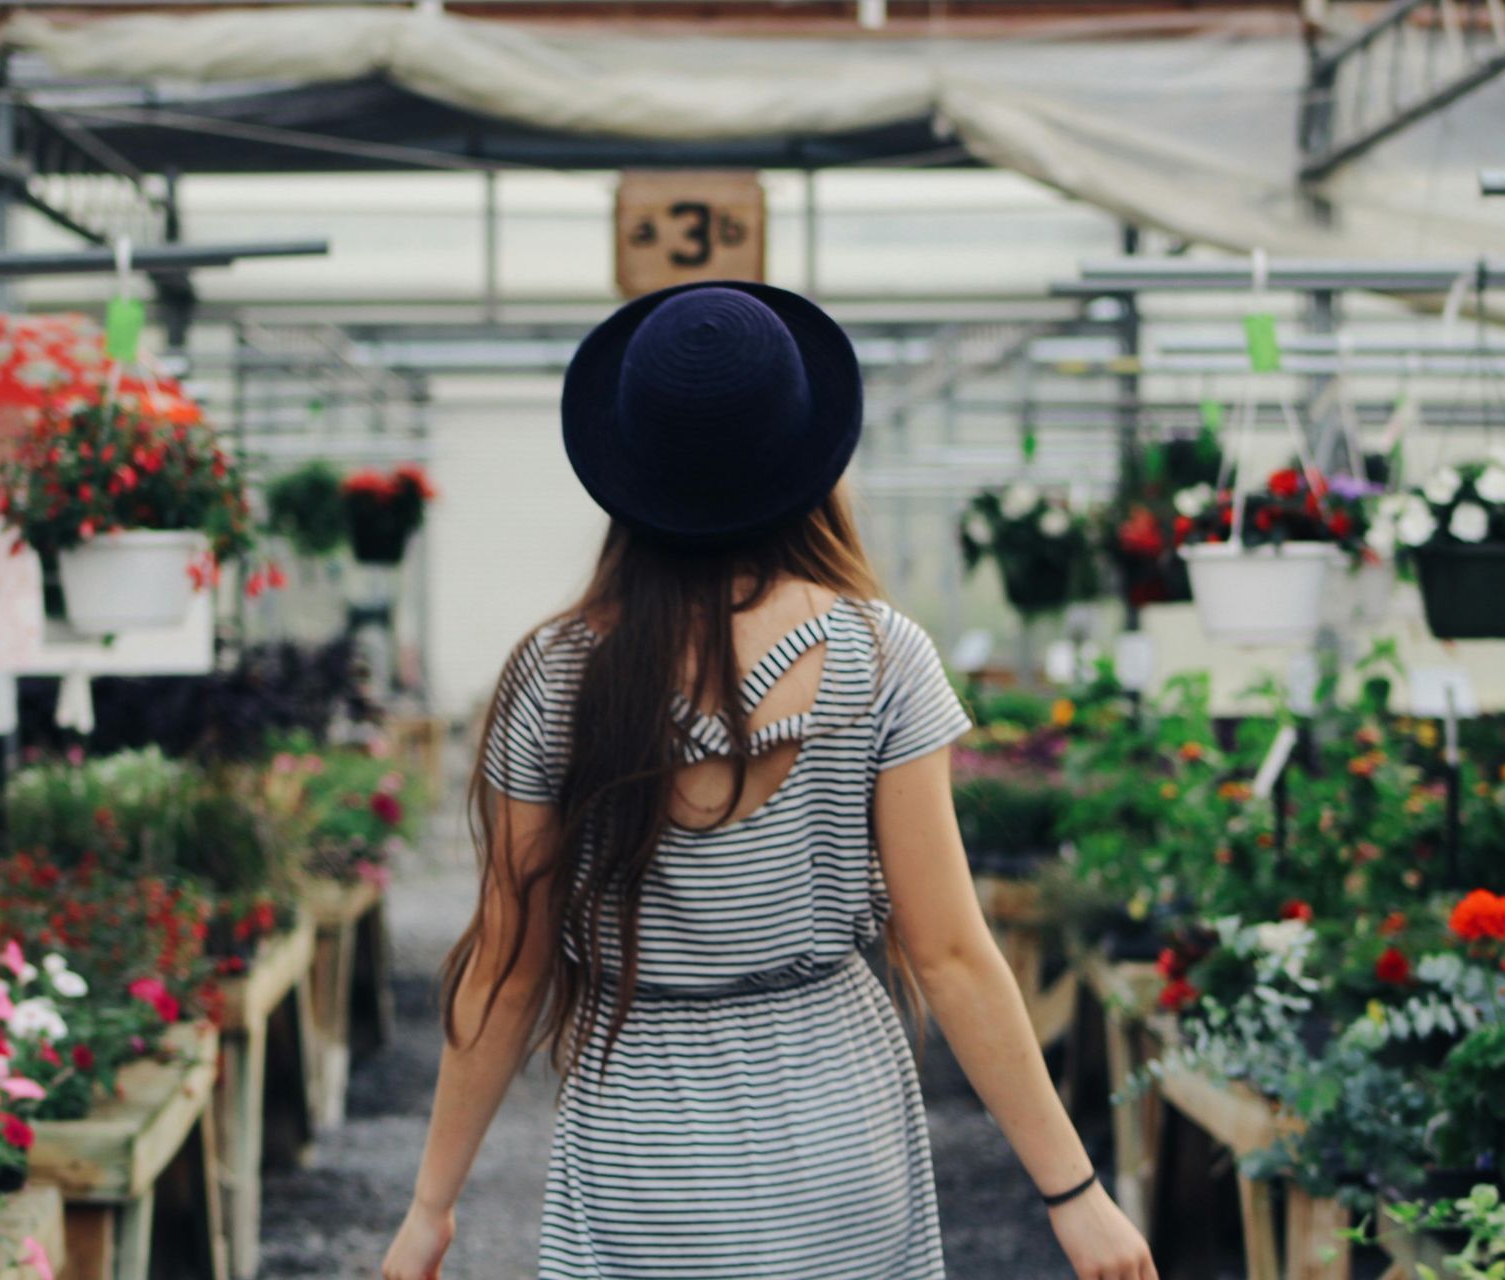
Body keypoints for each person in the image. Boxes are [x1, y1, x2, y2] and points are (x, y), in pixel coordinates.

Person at [380, 281, 1156, 1280]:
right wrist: (1074, 1192)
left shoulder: (554, 675)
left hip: (638, 1145)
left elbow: (505, 963)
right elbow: (952, 953)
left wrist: (432, 1206)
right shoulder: (880, 658)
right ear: (806, 460)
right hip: (838, 1131)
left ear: (630, 463)